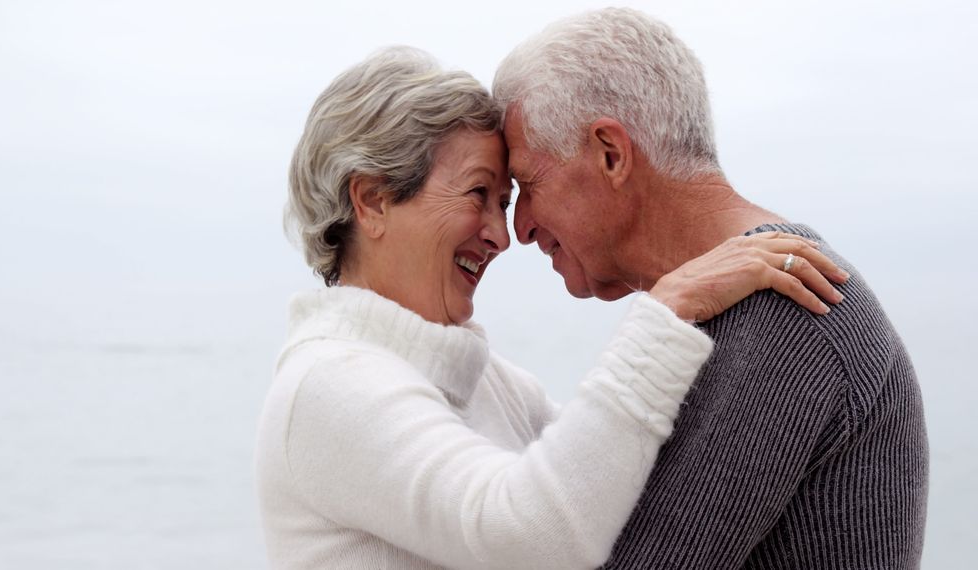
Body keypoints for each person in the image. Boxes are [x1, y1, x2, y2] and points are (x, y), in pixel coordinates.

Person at [257, 46, 845, 570]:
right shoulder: (326, 385)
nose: (501, 233)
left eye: (507, 199)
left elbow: (613, 491)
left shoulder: (486, 382)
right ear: (373, 200)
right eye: (477, 194)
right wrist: (667, 312)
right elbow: (531, 535)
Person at [492, 7, 928, 568]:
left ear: (611, 153)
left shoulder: (786, 311)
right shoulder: (740, 307)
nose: (520, 226)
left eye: (528, 184)